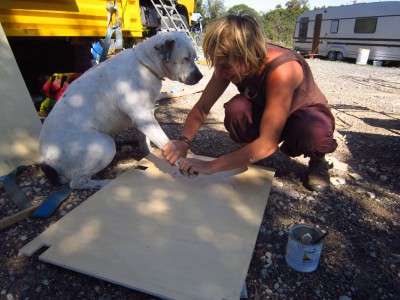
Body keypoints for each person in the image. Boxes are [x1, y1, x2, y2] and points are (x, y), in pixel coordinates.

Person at [162, 11, 337, 192]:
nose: (220, 73)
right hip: (269, 112)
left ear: (247, 55)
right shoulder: (229, 61)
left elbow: (269, 142)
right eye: (216, 64)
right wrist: (183, 140)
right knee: (237, 109)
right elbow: (202, 107)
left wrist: (212, 166)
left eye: (225, 66)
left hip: (301, 116)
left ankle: (318, 159)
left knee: (313, 131)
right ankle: (251, 151)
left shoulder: (283, 70)